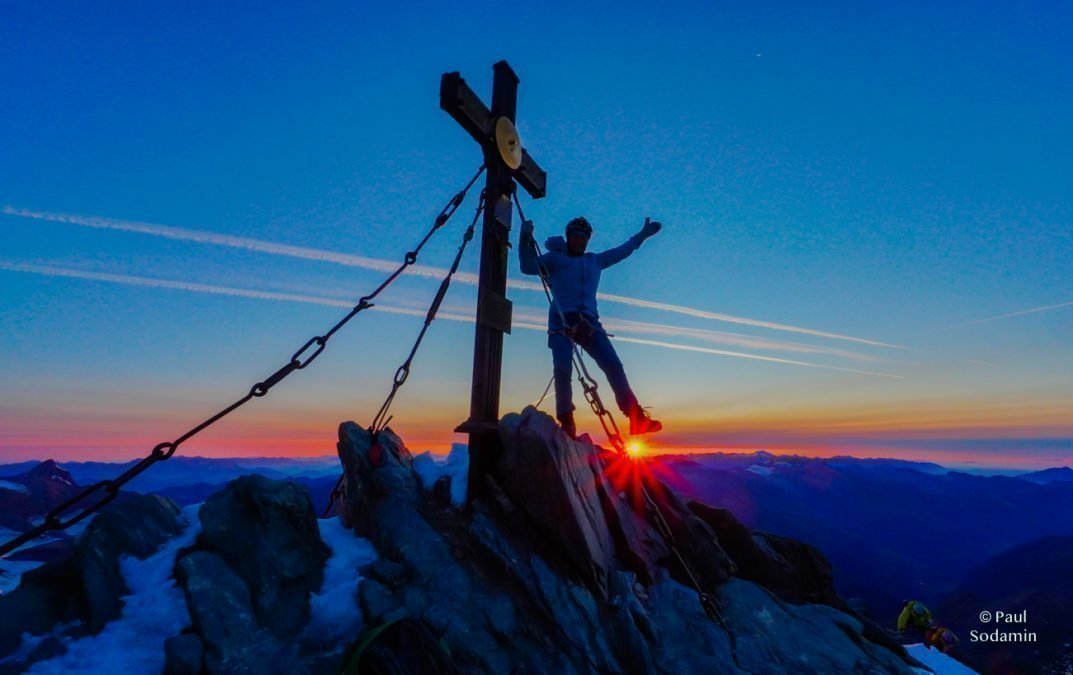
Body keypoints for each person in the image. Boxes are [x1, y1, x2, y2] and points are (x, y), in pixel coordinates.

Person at [519, 215, 663, 439]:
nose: (578, 240)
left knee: (613, 365)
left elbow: (624, 250)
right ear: (568, 238)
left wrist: (642, 236)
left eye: (582, 237)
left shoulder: (595, 261)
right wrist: (524, 238)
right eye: (575, 236)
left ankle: (635, 418)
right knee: (563, 371)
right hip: (562, 321)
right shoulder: (555, 259)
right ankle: (567, 422)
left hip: (589, 323)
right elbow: (527, 267)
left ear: (587, 240)